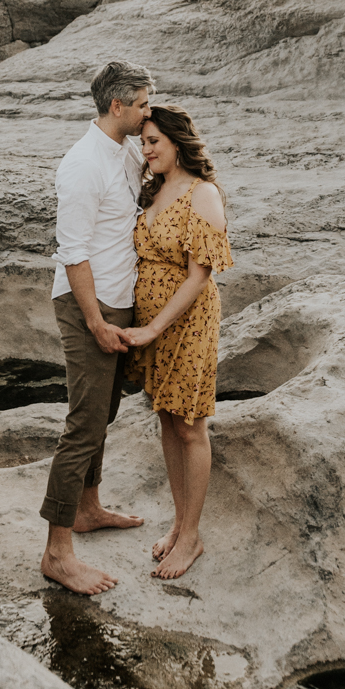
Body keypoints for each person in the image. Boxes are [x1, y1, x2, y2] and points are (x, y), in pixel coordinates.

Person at [39, 60, 155, 596]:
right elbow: (73, 251)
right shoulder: (83, 164)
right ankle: (57, 553)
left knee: (102, 414)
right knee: (83, 424)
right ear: (117, 106)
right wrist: (95, 321)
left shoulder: (127, 150)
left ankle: (87, 509)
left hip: (118, 299)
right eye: (143, 104)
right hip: (90, 306)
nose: (147, 111)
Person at [121, 105, 233, 580]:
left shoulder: (202, 194)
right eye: (142, 143)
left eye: (153, 142)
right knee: (167, 420)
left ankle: (191, 538)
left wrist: (151, 328)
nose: (146, 151)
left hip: (186, 322)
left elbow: (198, 277)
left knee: (190, 425)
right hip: (154, 323)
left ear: (177, 142)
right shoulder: (155, 190)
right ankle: (180, 525)